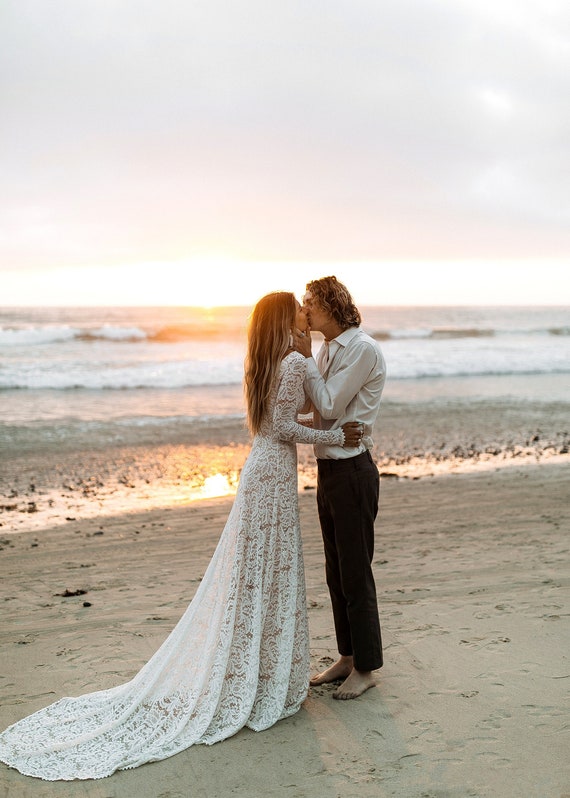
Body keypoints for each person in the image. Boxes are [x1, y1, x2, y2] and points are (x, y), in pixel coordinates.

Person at [0, 292, 363, 781]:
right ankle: (264, 676)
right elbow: (283, 425)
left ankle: (253, 669)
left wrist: (309, 414)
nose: (305, 311)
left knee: (253, 570)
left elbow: (273, 420)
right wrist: (336, 437)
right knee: (268, 569)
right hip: (273, 474)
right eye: (298, 307)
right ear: (284, 318)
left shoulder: (265, 360)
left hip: (260, 470)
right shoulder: (295, 360)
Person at [293, 276, 386, 700]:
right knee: (335, 573)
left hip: (353, 473)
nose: (304, 310)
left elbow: (328, 404)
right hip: (329, 472)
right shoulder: (330, 350)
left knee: (355, 572)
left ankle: (366, 669)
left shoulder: (362, 349)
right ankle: (348, 657)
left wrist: (305, 358)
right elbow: (320, 412)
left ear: (328, 306)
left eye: (309, 303)